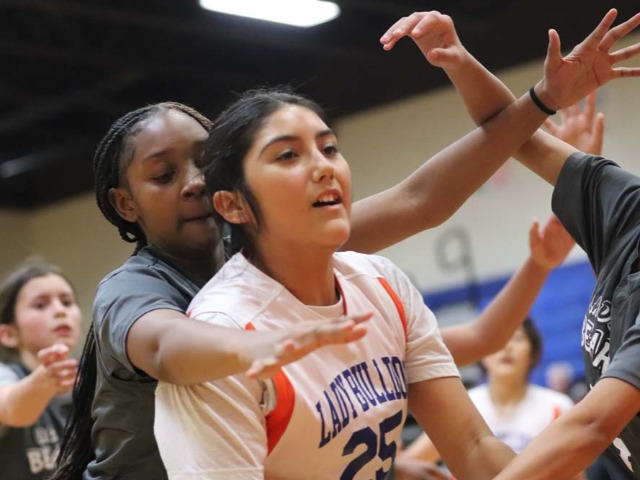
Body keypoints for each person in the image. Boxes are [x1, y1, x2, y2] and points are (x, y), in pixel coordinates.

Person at [56, 8, 640, 479]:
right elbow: (166, 347)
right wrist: (260, 345)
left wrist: (537, 100)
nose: (194, 183)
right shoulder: (157, 295)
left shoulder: (339, 265)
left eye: (330, 147)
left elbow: (421, 200)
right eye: (164, 175)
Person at [153, 87, 515, 479]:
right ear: (233, 205)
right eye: (288, 155)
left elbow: (472, 445)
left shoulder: (382, 283)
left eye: (328, 148)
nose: (324, 167)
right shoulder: (224, 334)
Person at [381, 8, 640, 480]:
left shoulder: (554, 406)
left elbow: (594, 424)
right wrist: (459, 60)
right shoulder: (626, 207)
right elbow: (515, 135)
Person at [399, 319, 578, 476]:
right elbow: (410, 462)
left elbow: (574, 473)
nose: (507, 347)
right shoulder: (462, 404)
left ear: (533, 353)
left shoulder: (557, 406)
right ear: (482, 350)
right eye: (500, 339)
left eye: (517, 338)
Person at [0, 261, 82, 479]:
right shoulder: (5, 375)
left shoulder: (95, 377)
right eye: (40, 305)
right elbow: (10, 408)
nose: (60, 311)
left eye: (67, 302)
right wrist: (44, 381)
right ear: (9, 334)